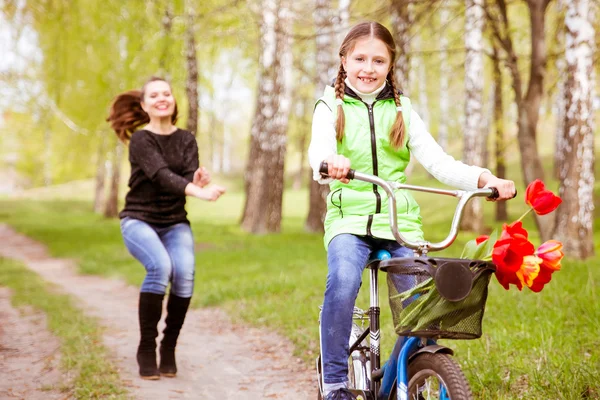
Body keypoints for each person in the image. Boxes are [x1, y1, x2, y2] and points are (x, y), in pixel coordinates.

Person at [308, 22, 515, 400]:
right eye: (359, 58)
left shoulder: (402, 109)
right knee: (341, 281)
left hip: (399, 223)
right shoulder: (331, 105)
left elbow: (439, 162)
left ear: (390, 65)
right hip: (349, 220)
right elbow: (318, 150)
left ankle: (405, 374)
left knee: (423, 309)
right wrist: (329, 161)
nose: (368, 68)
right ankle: (336, 382)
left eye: (378, 60)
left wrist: (486, 178)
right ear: (343, 60)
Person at [107, 76, 226, 380]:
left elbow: (183, 178)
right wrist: (198, 191)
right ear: (145, 105)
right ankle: (146, 348)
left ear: (173, 101)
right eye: (155, 95)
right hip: (138, 220)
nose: (162, 98)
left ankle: (168, 346)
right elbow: (161, 176)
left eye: (167, 94)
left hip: (174, 222)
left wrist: (195, 180)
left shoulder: (186, 139)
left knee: (184, 273)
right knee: (160, 267)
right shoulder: (141, 140)